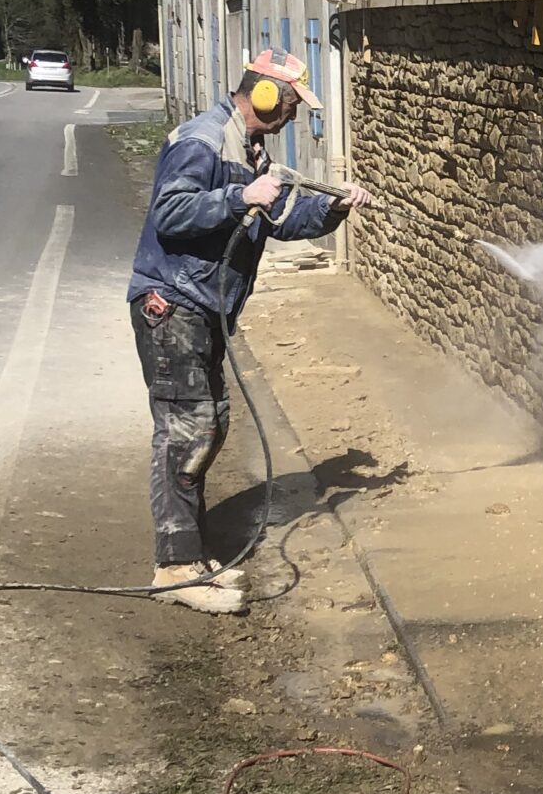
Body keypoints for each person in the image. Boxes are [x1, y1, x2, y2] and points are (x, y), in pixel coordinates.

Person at [127, 50, 367, 612]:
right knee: (187, 431)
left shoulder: (252, 152)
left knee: (208, 426)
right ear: (263, 95)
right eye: (288, 102)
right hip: (174, 304)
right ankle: (176, 568)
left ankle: (188, 552)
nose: (290, 114)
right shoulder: (203, 141)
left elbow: (283, 221)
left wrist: (335, 210)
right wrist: (239, 195)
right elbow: (170, 212)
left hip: (204, 309)